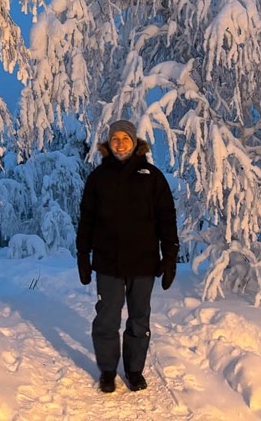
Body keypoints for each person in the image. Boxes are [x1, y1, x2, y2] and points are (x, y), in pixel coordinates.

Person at [76, 119, 179, 393]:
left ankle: (134, 370)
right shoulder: (98, 178)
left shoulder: (152, 176)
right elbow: (86, 219)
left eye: (125, 138)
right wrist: (82, 256)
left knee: (138, 319)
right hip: (108, 263)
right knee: (107, 318)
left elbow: (166, 218)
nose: (120, 143)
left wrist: (169, 258)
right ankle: (108, 371)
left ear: (135, 142)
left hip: (143, 263)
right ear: (109, 144)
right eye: (115, 139)